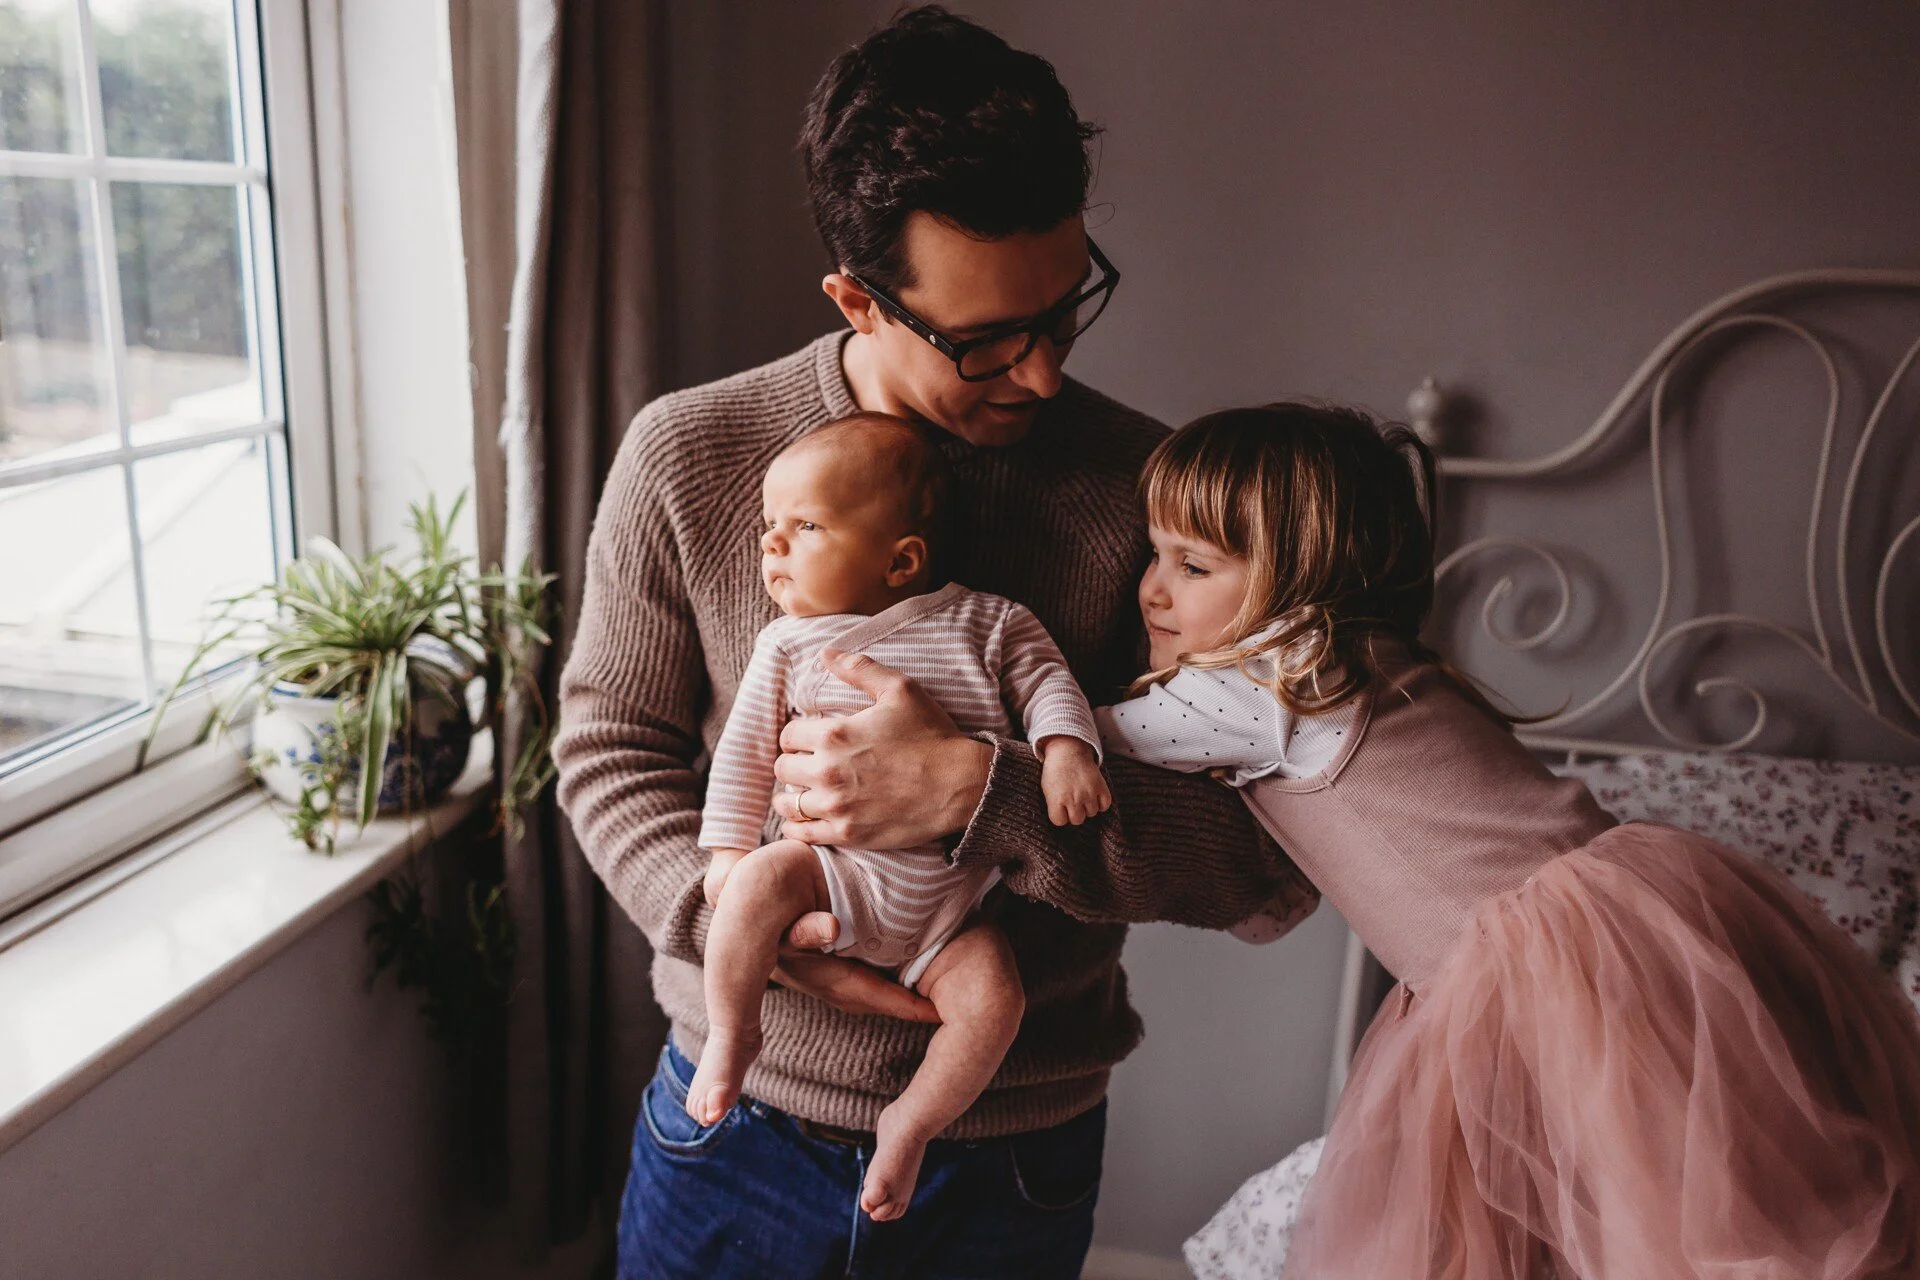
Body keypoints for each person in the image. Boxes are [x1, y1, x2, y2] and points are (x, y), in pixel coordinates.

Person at [552, 10, 1316, 1276]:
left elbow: (1261, 863)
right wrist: (740, 920)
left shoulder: (1156, 498)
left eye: (1066, 309)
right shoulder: (687, 454)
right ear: (857, 296)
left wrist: (987, 793)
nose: (1041, 376)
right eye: (983, 342)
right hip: (728, 1126)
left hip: (1011, 1150)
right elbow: (609, 749)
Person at [1096, 402, 1920, 1278]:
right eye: (1155, 553)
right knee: (1675, 1191)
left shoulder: (1259, 687)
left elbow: (1081, 735)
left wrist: (990, 681)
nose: (1151, 587)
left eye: (1192, 565)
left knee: (1650, 1213)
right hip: (1594, 944)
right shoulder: (1349, 658)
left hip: (1538, 976)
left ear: (1304, 577)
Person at [692, 413, 1110, 1222]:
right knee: (750, 891)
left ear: (902, 558)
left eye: (804, 527)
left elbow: (1050, 686)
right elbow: (743, 755)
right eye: (767, 530)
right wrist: (726, 858)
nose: (773, 548)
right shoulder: (786, 644)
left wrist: (1064, 752)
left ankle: (911, 1122)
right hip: (828, 877)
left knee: (995, 1001)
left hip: (950, 908)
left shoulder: (990, 623)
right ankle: (734, 1032)